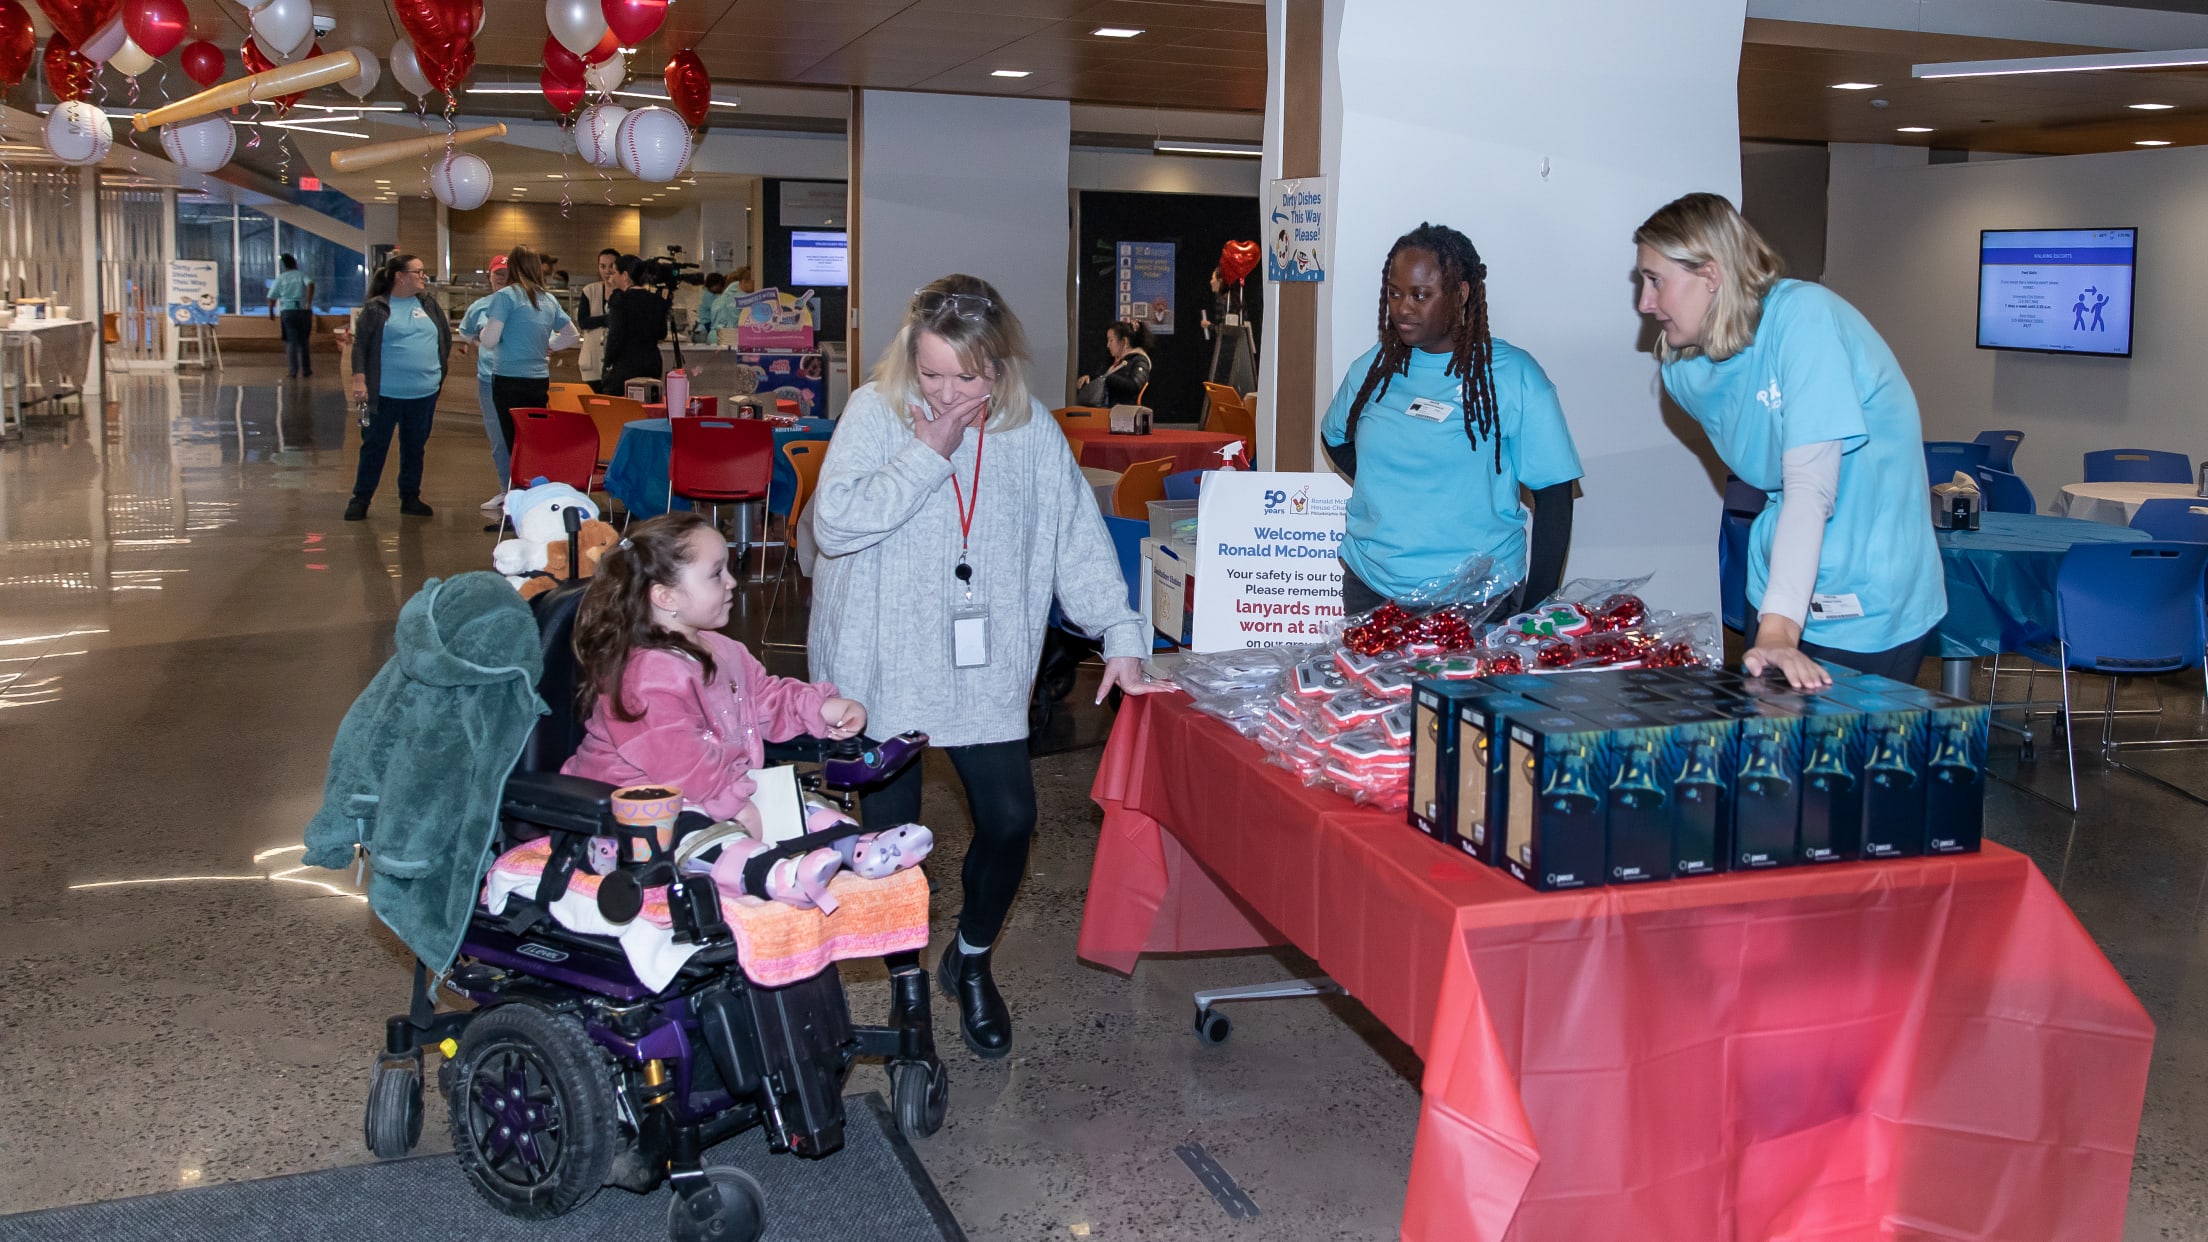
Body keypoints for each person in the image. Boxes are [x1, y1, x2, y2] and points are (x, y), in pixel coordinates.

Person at [809, 274, 1161, 1059]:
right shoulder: (876, 413)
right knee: (889, 845)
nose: (945, 391)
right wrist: (926, 451)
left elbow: (1075, 533)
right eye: (929, 373)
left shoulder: (1029, 429)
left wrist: (1121, 630)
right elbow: (832, 525)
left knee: (1010, 820)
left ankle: (966, 961)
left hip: (979, 664)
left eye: (963, 376)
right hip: (880, 663)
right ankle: (905, 993)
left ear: (997, 367)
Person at [1635, 192, 1946, 688]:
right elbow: (1769, 477)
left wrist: (1778, 633)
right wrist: (1778, 626)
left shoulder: (1805, 318)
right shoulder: (1685, 373)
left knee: (1844, 763)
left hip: (1871, 591)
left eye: (1655, 281)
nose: (1644, 303)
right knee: (1772, 761)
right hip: (1782, 580)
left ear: (1711, 276)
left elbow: (1808, 487)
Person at [1320, 222, 1582, 614]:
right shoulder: (1372, 369)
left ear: (1460, 294)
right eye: (1394, 293)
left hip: (1478, 599)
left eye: (1420, 295)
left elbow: (1554, 498)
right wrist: (1394, 490)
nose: (1403, 307)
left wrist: (1535, 611)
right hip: (1372, 589)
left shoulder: (1513, 376)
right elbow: (1335, 438)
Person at [566, 511, 867, 825]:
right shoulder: (644, 676)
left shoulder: (724, 649)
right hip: (633, 813)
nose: (732, 582)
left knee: (822, 817)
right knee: (719, 843)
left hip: (709, 792)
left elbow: (765, 697)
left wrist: (823, 707)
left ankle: (846, 845)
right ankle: (774, 868)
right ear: (666, 596)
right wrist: (731, 804)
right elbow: (680, 762)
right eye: (716, 573)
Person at [346, 253, 451, 521]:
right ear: (399, 277)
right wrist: (359, 379)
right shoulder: (377, 308)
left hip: (424, 393)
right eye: (418, 272)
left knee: (415, 447)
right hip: (382, 394)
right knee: (373, 446)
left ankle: (410, 496)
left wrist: (437, 372)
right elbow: (361, 346)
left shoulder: (428, 304)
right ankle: (361, 498)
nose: (423, 277)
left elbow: (444, 338)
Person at [481, 244, 580, 457]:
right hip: (538, 379)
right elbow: (571, 335)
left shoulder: (505, 296)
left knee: (514, 441)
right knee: (535, 439)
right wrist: (549, 344)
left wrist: (481, 332)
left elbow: (490, 340)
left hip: (508, 378)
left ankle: (518, 486)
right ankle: (536, 484)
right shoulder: (548, 298)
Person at [456, 256, 512, 511]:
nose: (502, 278)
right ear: (489, 276)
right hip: (489, 380)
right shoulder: (480, 306)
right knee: (498, 438)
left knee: (522, 437)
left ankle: (529, 489)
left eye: (507, 273)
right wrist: (480, 346)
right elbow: (465, 331)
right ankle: (506, 489)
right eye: (498, 273)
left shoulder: (523, 303)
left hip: (519, 378)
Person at [600, 255, 669, 397]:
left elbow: (615, 335)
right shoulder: (656, 300)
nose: (612, 277)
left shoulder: (620, 300)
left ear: (625, 275)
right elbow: (662, 333)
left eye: (614, 273)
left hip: (626, 365)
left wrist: (607, 363)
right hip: (652, 363)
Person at [1073, 320, 1153, 407]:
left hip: (1123, 414)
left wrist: (1106, 378)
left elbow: (1134, 386)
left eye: (1111, 340)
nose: (1108, 345)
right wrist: (1091, 377)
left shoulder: (1140, 361)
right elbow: (1102, 375)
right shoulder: (1113, 362)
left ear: (1124, 342)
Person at [576, 248, 620, 388]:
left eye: (611, 266)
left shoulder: (624, 292)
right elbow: (583, 322)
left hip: (617, 364)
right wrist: (607, 320)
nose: (607, 271)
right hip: (592, 363)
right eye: (603, 266)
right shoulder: (589, 290)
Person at [268, 253, 315, 379]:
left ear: (284, 266)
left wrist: (271, 312)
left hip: (287, 311)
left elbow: (272, 297)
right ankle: (306, 370)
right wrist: (308, 302)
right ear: (295, 263)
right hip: (302, 311)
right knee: (304, 342)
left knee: (291, 341)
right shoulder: (301, 275)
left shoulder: (281, 278)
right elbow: (311, 284)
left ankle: (293, 371)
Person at [696, 272, 726, 341]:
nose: (721, 288)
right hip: (707, 323)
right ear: (716, 284)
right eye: (720, 285)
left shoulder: (706, 293)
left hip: (705, 322)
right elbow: (716, 308)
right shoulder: (708, 295)